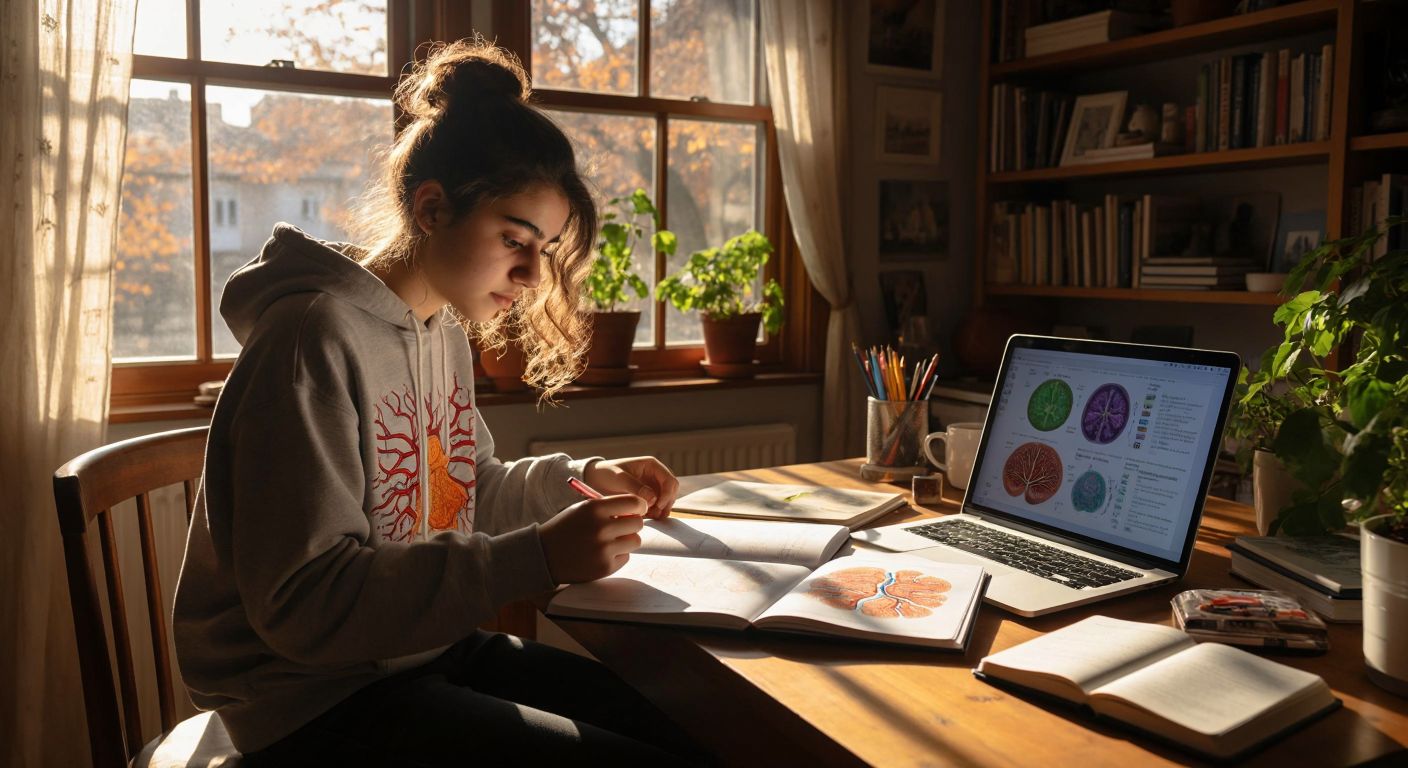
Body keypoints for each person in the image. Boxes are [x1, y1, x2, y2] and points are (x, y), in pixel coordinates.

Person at [173, 39, 703, 766]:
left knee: (686, 723)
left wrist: (581, 477)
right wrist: (539, 557)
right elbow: (306, 603)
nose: (529, 275)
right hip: (308, 702)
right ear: (431, 208)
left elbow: (464, 488)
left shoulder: (438, 328)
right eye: (514, 239)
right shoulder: (311, 339)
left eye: (542, 249)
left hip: (415, 655)